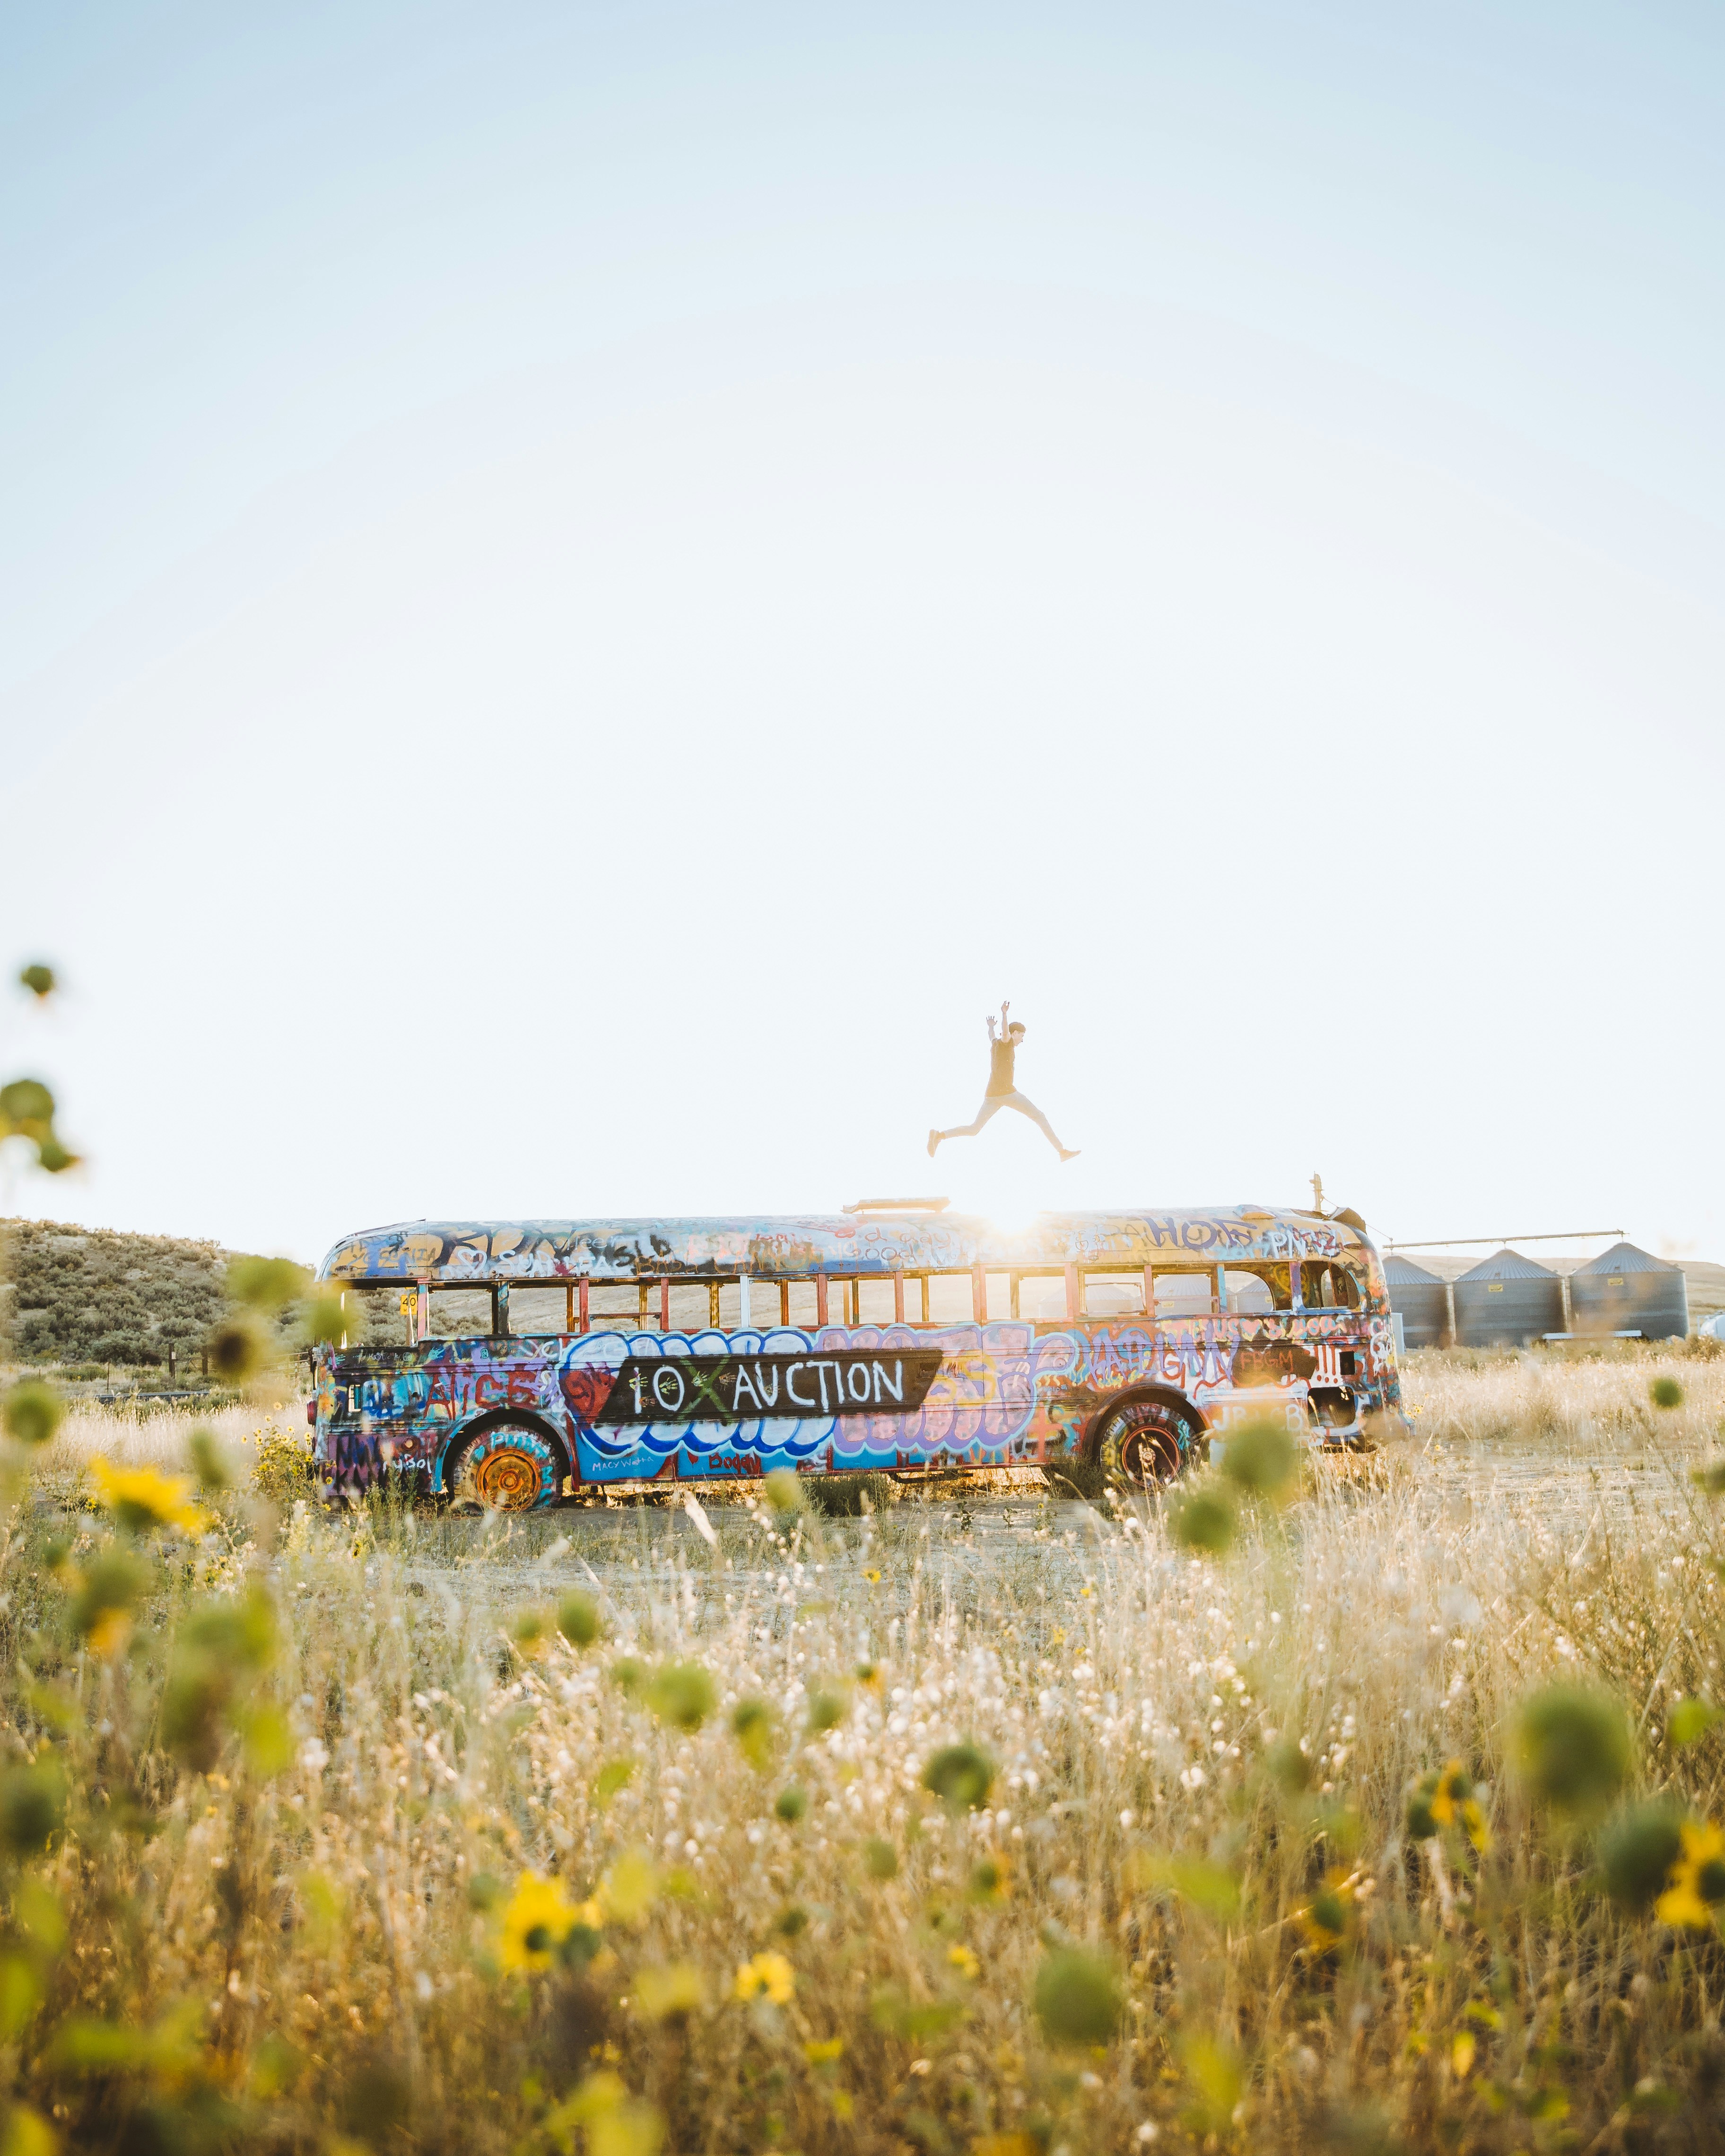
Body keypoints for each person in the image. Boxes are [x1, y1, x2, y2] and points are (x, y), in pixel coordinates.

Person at [929, 1001, 1079, 1160]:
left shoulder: (995, 1044)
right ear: (1015, 1033)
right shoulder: (1006, 1044)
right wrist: (1004, 1014)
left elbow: (992, 1036)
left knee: (974, 1129)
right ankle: (1062, 1152)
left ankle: (939, 1136)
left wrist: (991, 1027)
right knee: (1039, 1117)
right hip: (1007, 1093)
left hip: (992, 1096)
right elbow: (1005, 1033)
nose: (1022, 1040)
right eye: (1022, 1035)